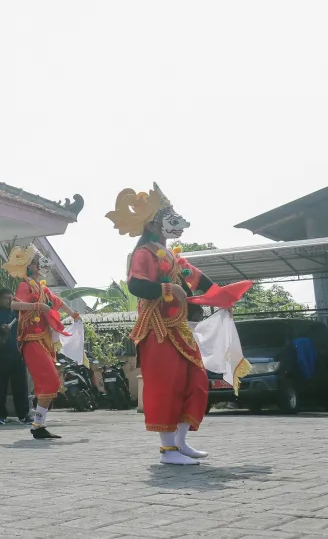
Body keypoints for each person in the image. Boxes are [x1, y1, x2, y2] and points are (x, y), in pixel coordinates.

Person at [106, 183, 216, 465]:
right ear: (154, 223)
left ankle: (180, 443)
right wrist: (170, 291)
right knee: (167, 385)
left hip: (180, 329)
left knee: (196, 381)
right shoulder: (143, 254)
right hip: (157, 328)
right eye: (170, 217)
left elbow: (199, 279)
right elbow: (136, 285)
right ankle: (168, 450)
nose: (178, 223)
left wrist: (222, 295)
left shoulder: (172, 257)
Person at [3, 245, 81, 439]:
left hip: (44, 341)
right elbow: (13, 304)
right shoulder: (25, 285)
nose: (42, 265)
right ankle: (37, 424)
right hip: (31, 341)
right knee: (51, 381)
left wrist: (73, 314)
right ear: (31, 266)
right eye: (39, 262)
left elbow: (58, 301)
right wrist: (38, 306)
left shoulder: (42, 287)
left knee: (51, 383)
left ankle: (38, 425)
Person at [0, 288, 32, 425]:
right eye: (5, 298)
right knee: (0, 388)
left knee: (21, 388)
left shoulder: (19, 315)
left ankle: (24, 415)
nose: (8, 301)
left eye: (10, 298)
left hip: (17, 356)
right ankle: (0, 416)